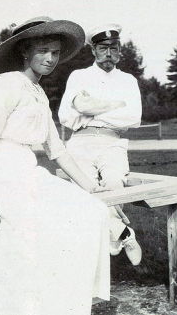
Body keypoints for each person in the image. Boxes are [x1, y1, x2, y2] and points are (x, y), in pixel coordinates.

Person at [0, 16, 110, 315]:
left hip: (29, 171)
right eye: (43, 50)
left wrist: (92, 187)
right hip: (7, 174)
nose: (50, 58)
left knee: (91, 210)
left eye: (56, 52)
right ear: (25, 51)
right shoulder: (7, 84)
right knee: (48, 231)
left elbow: (57, 150)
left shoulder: (38, 93)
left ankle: (60, 305)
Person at [58, 23, 143, 265]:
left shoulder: (128, 81)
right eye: (103, 48)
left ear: (120, 50)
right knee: (85, 189)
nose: (108, 53)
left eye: (113, 48)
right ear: (93, 50)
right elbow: (66, 115)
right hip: (80, 141)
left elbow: (133, 117)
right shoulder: (79, 76)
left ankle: (112, 237)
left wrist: (91, 109)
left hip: (112, 141)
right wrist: (114, 105)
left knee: (115, 182)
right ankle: (124, 234)